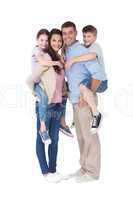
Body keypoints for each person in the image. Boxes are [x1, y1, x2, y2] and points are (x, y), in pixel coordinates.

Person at [61, 21, 101, 182]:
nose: (67, 36)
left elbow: (98, 74)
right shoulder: (68, 51)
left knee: (90, 136)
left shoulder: (81, 50)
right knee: (81, 136)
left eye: (70, 33)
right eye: (64, 33)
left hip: (85, 101)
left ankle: (92, 172)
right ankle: (84, 167)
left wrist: (88, 93)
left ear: (76, 33)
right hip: (75, 101)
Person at [28, 29, 66, 182]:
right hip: (45, 104)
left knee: (55, 140)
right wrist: (35, 89)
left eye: (59, 41)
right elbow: (32, 77)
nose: (57, 43)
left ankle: (53, 170)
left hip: (58, 105)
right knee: (41, 139)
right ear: (49, 42)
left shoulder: (59, 58)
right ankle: (45, 172)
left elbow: (61, 82)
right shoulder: (45, 56)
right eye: (54, 40)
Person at [65, 25, 108, 133]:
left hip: (101, 81)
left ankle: (96, 114)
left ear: (95, 37)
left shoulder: (95, 46)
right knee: (70, 87)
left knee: (81, 86)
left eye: (89, 36)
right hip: (91, 80)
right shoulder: (83, 47)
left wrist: (73, 60)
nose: (86, 39)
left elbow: (92, 56)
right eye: (84, 36)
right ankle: (76, 118)